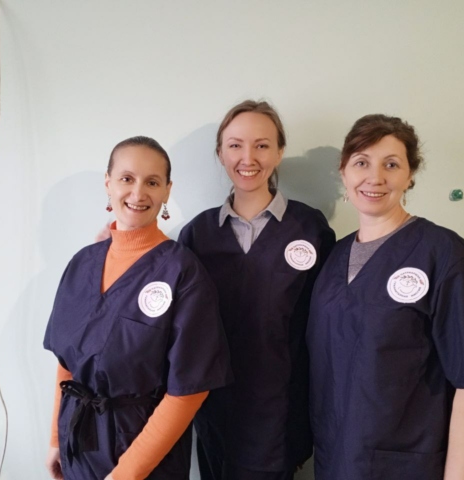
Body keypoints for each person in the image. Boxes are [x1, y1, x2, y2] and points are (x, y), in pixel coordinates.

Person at [306, 114, 464, 480]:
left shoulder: (442, 253)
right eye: (362, 163)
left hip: (406, 465)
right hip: (336, 458)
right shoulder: (332, 259)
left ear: (410, 176)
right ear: (344, 172)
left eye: (391, 164)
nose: (375, 177)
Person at [43, 136, 232, 480]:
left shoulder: (182, 272)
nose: (138, 192)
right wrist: (57, 438)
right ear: (108, 183)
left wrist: (126, 474)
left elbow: (188, 392)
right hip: (79, 444)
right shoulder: (82, 264)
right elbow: (67, 365)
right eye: (127, 178)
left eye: (152, 182)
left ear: (167, 191)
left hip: (144, 459)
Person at [178, 100, 336, 480]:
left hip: (281, 412)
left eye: (262, 145)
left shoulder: (310, 228)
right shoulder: (198, 235)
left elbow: (328, 324)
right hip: (215, 409)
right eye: (235, 145)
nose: (247, 158)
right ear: (220, 153)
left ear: (279, 152)